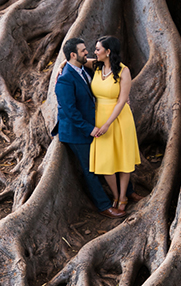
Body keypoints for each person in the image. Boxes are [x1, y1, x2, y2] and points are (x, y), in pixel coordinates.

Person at [54, 37, 120, 217]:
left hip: (94, 125)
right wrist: (89, 129)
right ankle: (104, 206)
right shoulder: (65, 79)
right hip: (76, 132)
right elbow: (69, 111)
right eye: (83, 51)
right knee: (90, 169)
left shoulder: (83, 69)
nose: (87, 53)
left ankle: (125, 193)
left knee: (108, 158)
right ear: (74, 54)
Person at [88, 36, 141, 215]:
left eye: (97, 49)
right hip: (99, 116)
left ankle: (123, 197)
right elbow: (75, 60)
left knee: (122, 158)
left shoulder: (123, 71)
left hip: (119, 118)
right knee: (104, 161)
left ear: (108, 51)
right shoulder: (96, 66)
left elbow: (121, 101)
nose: (94, 52)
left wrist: (108, 124)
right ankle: (116, 193)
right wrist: (63, 64)